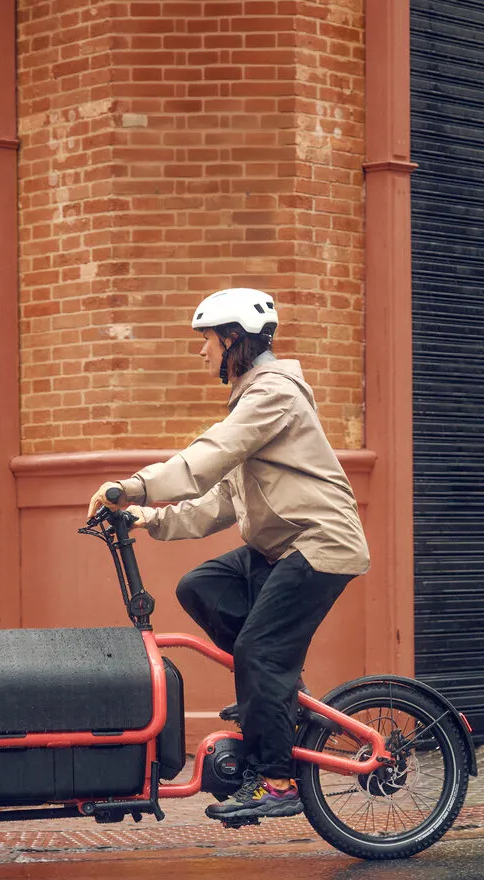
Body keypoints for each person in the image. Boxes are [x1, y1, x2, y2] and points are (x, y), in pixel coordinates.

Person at [86, 288, 370, 821]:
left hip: (319, 543)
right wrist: (151, 518)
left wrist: (134, 486)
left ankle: (279, 781)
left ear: (233, 337)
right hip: (276, 548)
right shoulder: (252, 398)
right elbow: (220, 502)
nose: (201, 352)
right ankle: (274, 696)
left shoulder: (275, 395)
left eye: (206, 341)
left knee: (261, 652)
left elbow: (210, 456)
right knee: (201, 588)